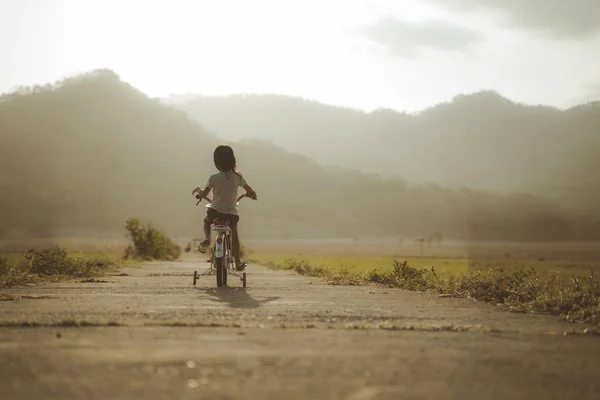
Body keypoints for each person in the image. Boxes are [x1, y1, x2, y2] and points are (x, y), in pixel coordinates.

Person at [192, 145, 257, 271]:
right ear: (232, 160)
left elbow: (204, 194)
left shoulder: (213, 178)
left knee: (206, 222)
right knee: (234, 234)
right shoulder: (238, 178)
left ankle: (206, 239)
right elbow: (250, 190)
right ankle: (237, 261)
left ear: (216, 162)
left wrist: (199, 192)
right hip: (231, 214)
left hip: (214, 211)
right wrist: (252, 194)